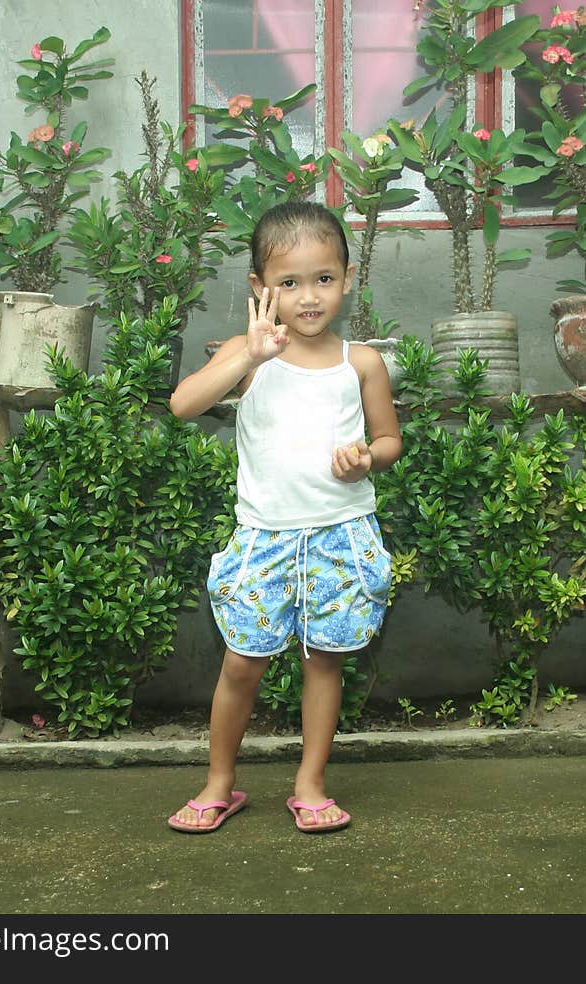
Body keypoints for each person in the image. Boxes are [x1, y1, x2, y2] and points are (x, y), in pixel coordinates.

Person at [167, 200, 402, 834]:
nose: (307, 297)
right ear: (259, 288)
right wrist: (250, 356)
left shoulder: (362, 364)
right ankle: (221, 782)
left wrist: (365, 459)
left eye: (323, 278)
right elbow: (183, 405)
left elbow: (389, 441)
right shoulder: (249, 355)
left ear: (347, 278)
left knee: (324, 659)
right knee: (241, 663)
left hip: (339, 536)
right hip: (263, 540)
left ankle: (310, 783)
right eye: (289, 282)